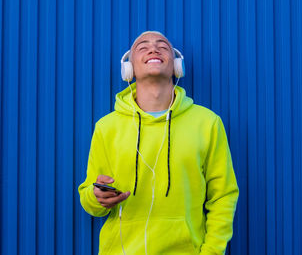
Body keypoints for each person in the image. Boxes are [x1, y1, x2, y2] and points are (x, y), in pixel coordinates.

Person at [78, 31, 239, 254]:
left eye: (163, 46)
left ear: (176, 67)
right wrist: (97, 198)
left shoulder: (207, 123)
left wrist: (212, 251)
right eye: (142, 47)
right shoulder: (107, 127)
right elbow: (89, 199)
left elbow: (223, 196)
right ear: (129, 69)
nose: (153, 49)